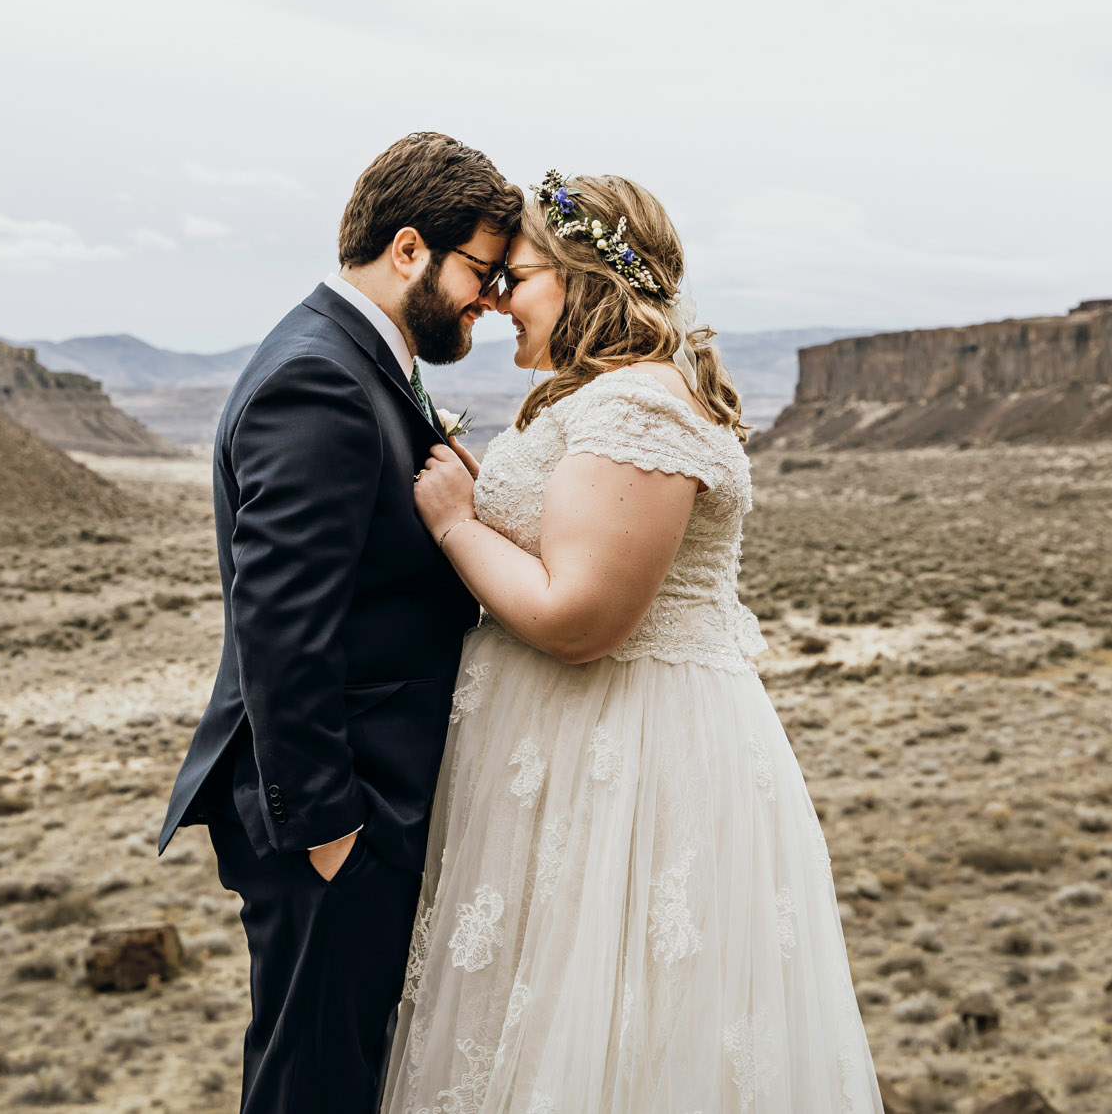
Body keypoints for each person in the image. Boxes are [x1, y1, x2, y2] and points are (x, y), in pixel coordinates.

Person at [388, 172, 883, 1113]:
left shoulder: (639, 407)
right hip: (570, 756)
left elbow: (581, 619)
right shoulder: (601, 400)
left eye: (516, 276)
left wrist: (457, 522)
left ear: (585, 278)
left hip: (630, 767)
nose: (494, 300)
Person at [159, 132, 524, 1114]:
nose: (490, 300)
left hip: (368, 802)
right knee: (310, 1089)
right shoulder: (316, 377)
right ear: (409, 250)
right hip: (338, 818)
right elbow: (283, 622)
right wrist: (331, 831)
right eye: (481, 272)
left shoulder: (357, 359)